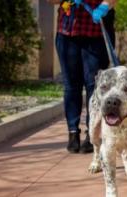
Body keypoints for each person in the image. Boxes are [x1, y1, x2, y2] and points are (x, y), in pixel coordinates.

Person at [47, 0, 116, 153]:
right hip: (67, 34)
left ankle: (92, 134)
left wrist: (104, 6)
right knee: (71, 85)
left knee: (94, 86)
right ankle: (73, 132)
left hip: (96, 33)